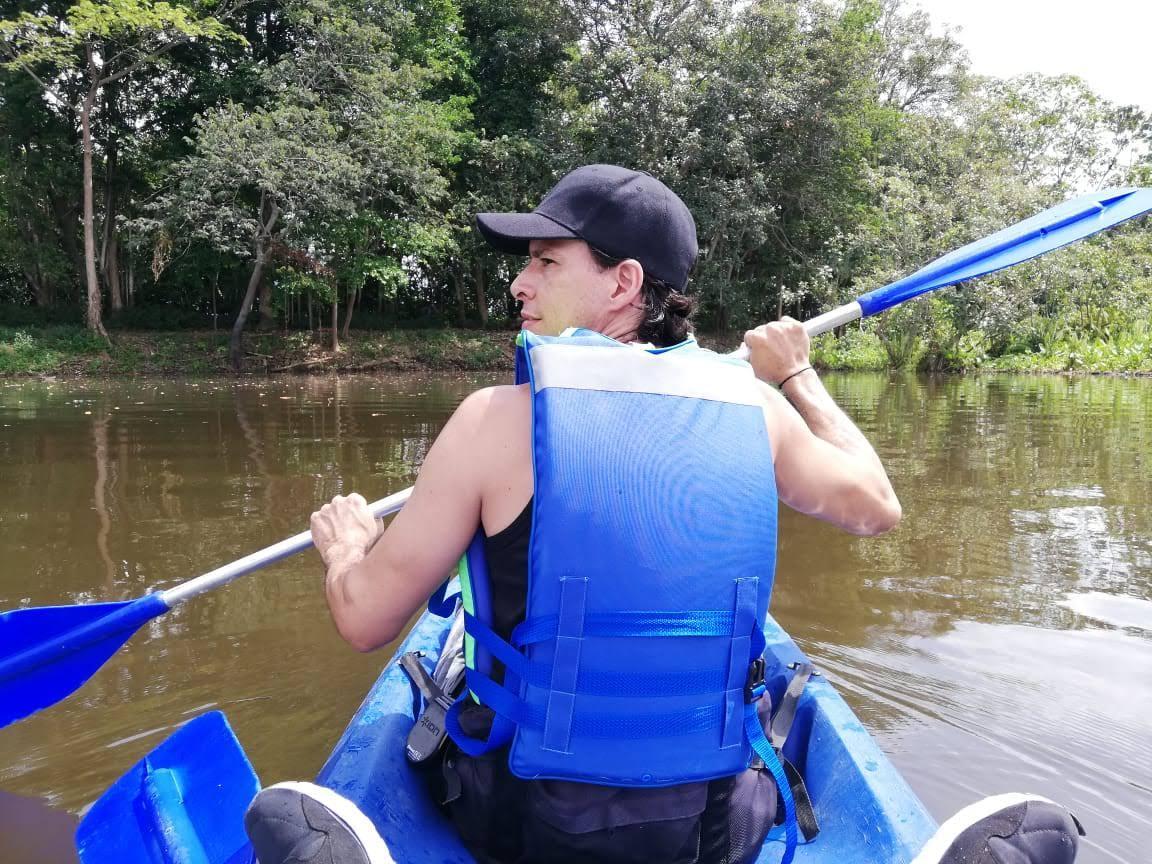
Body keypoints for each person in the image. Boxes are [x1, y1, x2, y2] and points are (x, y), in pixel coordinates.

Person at [243, 165, 1084, 864]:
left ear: (626, 282)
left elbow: (365, 620)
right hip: (713, 827)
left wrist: (349, 548)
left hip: (528, 823)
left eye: (545, 262)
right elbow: (877, 505)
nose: (519, 283)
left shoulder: (492, 422)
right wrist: (796, 375)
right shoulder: (757, 409)